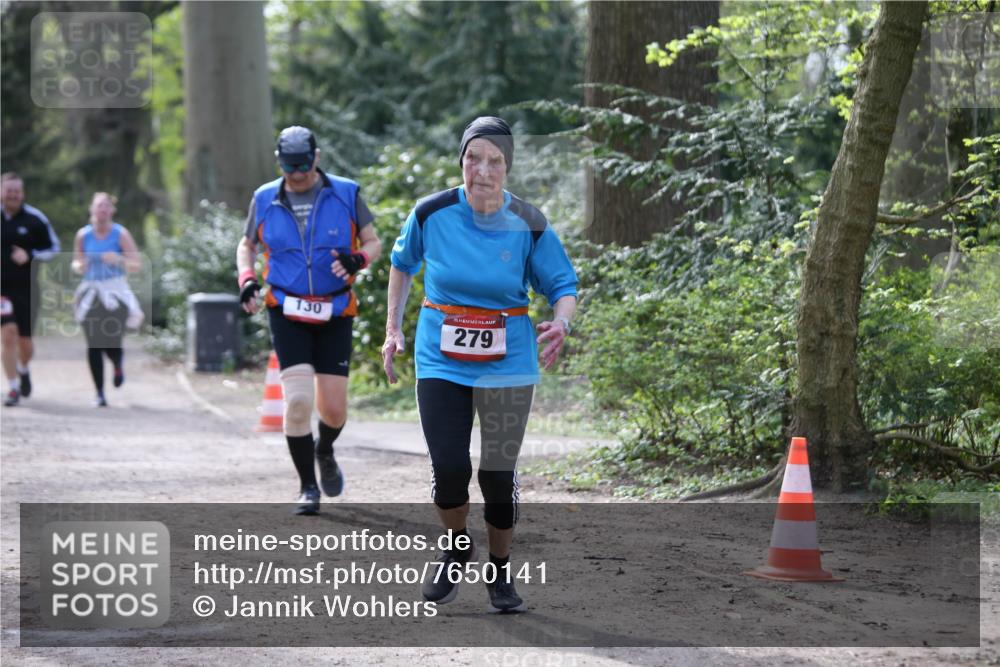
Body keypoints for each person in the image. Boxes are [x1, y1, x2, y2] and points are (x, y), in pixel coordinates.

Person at [382, 116, 578, 612]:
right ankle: (454, 546)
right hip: (440, 358)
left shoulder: (529, 222)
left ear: (507, 168)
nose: (482, 170)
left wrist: (561, 322)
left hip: (508, 360)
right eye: (474, 158)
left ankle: (500, 569)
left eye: (494, 161)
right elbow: (402, 266)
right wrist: (392, 330)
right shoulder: (432, 213)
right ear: (461, 162)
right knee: (449, 468)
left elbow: (563, 286)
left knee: (496, 475)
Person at [236, 126, 382, 516]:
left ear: (316, 158)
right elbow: (247, 245)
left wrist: (358, 259)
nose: (297, 174)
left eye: (302, 165)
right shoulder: (265, 198)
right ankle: (307, 486)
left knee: (333, 410)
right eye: (289, 166)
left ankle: (325, 449)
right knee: (298, 402)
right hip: (287, 308)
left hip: (335, 310)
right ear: (278, 160)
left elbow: (374, 241)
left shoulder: (346, 193)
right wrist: (247, 279)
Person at [71, 192, 144, 407]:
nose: (102, 210)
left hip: (115, 291)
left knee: (111, 339)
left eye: (106, 206)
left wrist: (119, 259)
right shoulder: (83, 235)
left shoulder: (120, 234)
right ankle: (100, 393)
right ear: (92, 209)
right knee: (93, 343)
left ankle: (117, 362)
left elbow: (136, 264)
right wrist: (79, 266)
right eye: (98, 206)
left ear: (112, 211)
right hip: (91, 291)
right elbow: (76, 262)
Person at [1, 172, 61, 407]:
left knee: (25, 343)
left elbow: (54, 247)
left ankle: (23, 368)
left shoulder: (35, 219)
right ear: (1, 192)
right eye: (8, 190)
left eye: (17, 191)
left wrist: (31, 255)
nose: (13, 195)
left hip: (26, 289)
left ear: (22, 193)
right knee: (8, 335)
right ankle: (13, 388)